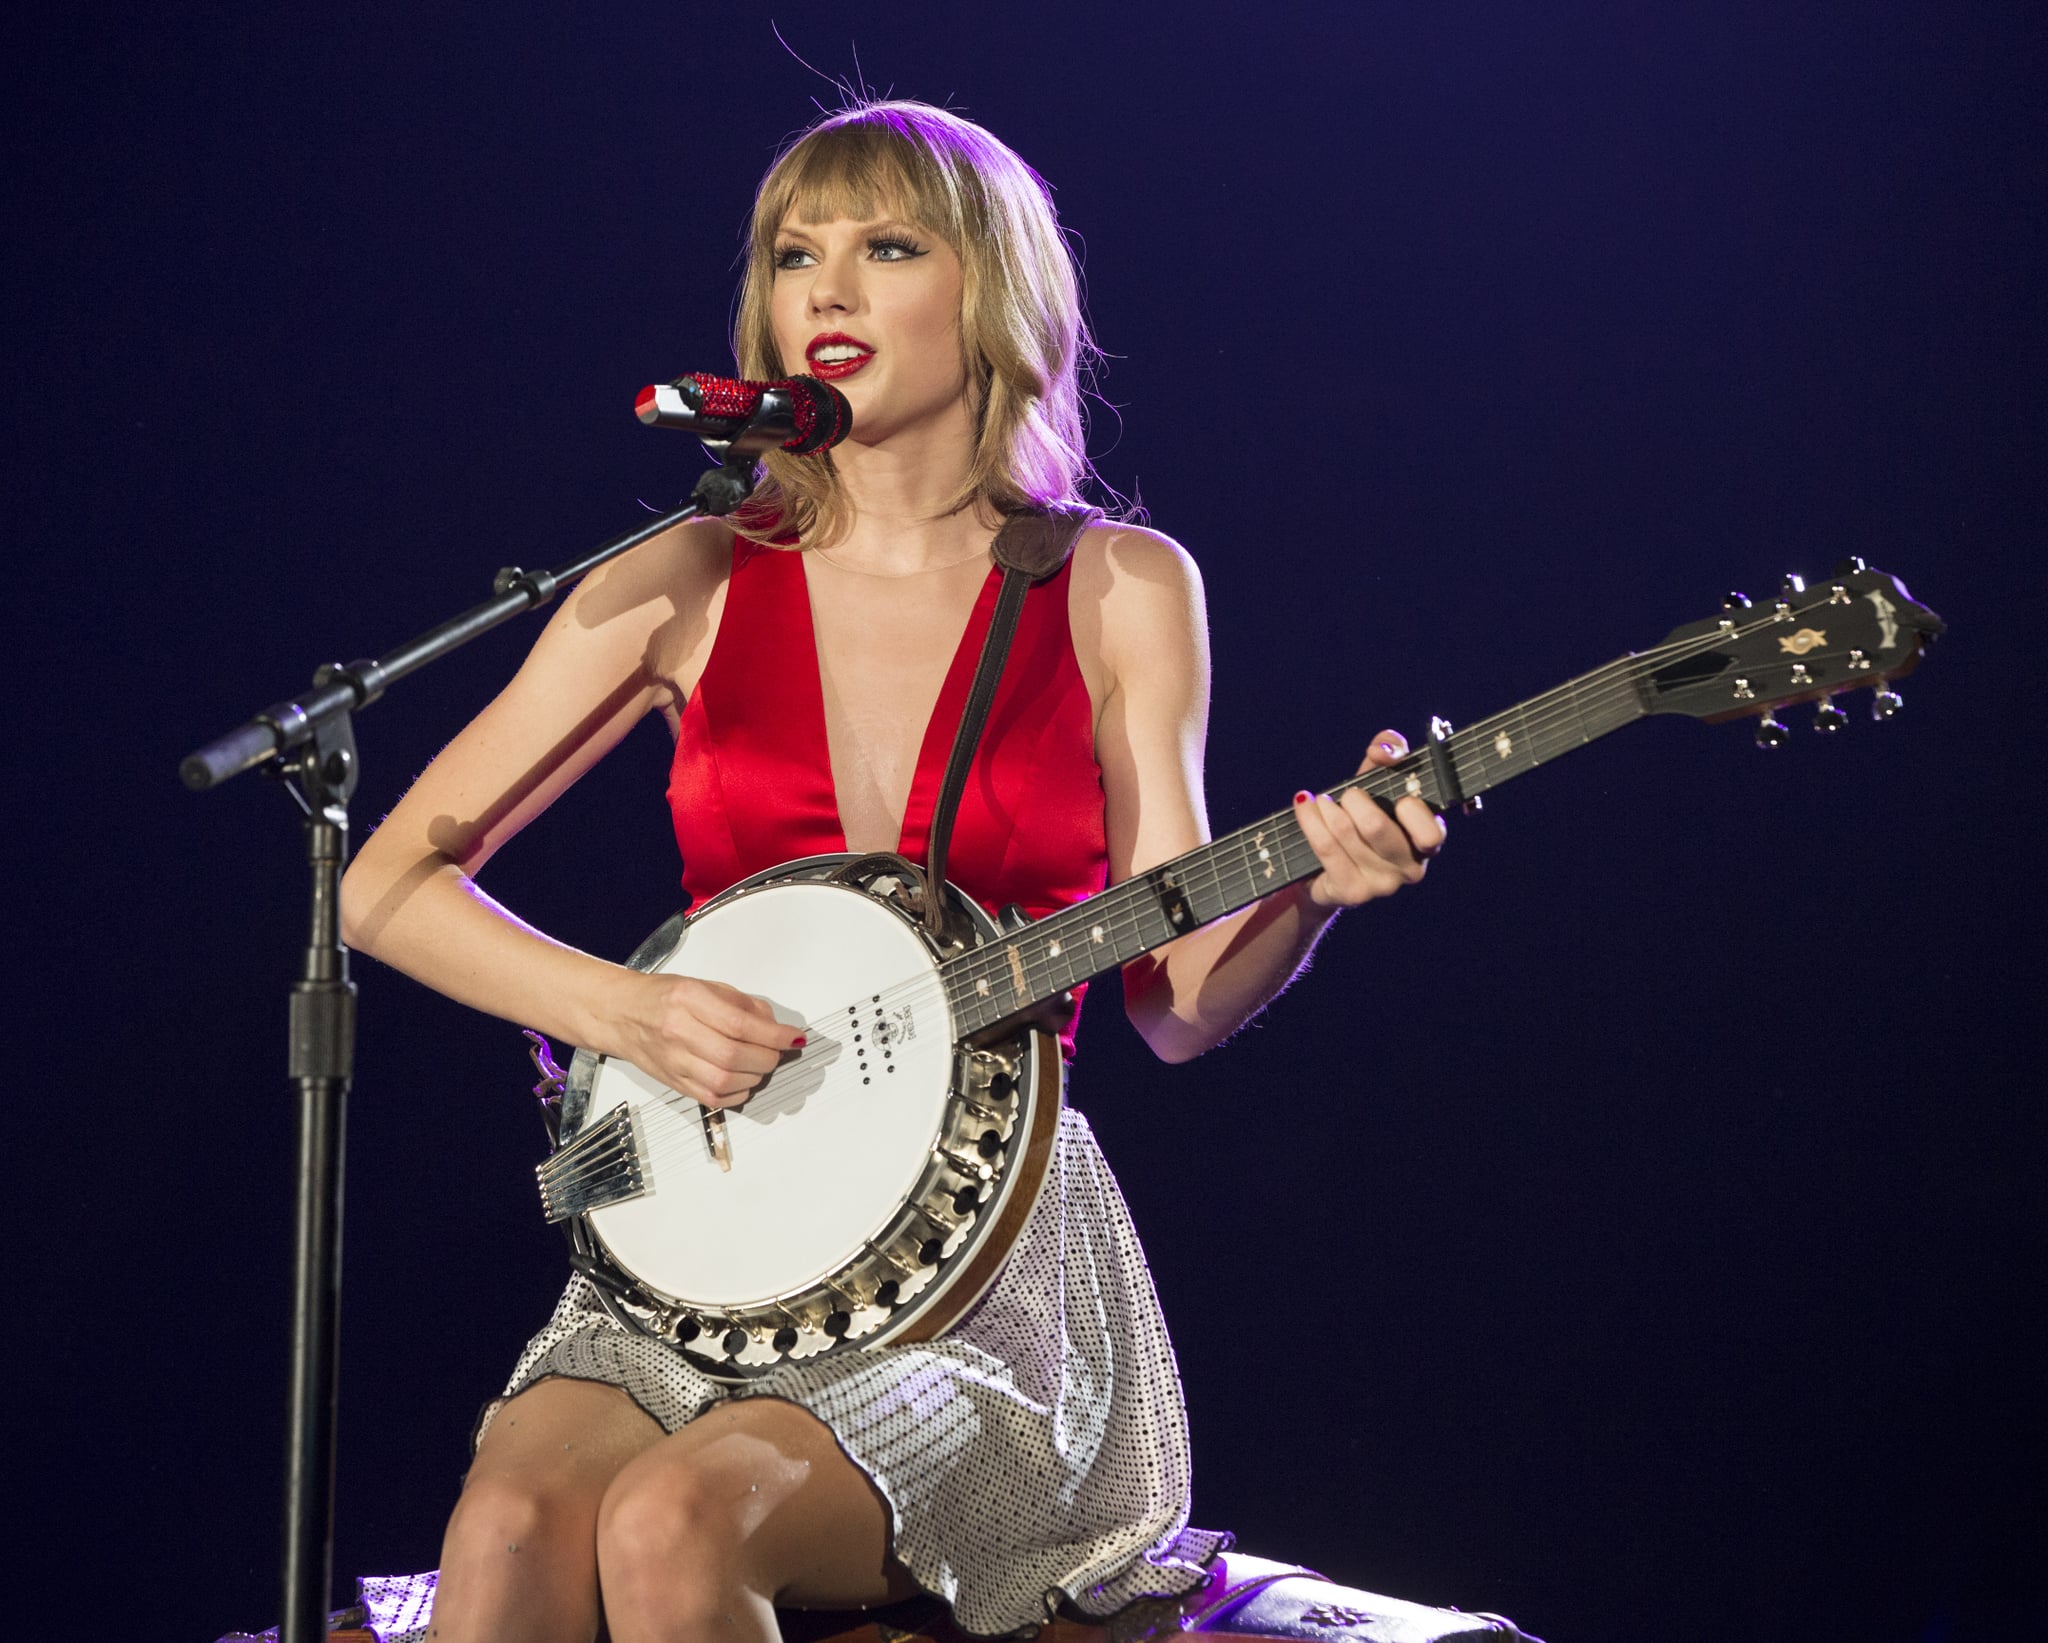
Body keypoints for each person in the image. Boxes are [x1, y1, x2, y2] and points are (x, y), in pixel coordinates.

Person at [339, 100, 1446, 1643]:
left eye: (887, 246)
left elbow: (1178, 1003)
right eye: (798, 256)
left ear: (990, 296)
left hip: (974, 1278)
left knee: (677, 1520)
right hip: (705, 1243)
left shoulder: (1123, 588)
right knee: (509, 1522)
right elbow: (382, 884)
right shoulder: (691, 578)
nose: (828, 291)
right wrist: (623, 1014)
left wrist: (1314, 890)